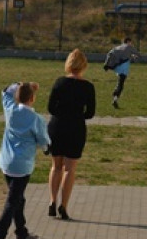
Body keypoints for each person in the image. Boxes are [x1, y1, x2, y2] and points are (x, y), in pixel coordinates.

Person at [0, 81, 50, 239]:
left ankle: (21, 232)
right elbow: (43, 141)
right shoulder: (36, 119)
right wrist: (46, 149)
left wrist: (21, 84)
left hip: (6, 162)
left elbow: (5, 90)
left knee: (18, 198)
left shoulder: (10, 109)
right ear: (32, 98)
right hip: (22, 166)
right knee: (12, 202)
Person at [46, 48, 96, 220]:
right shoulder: (88, 87)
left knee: (56, 166)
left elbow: (50, 108)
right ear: (84, 65)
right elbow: (90, 113)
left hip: (57, 126)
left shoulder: (59, 82)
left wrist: (62, 112)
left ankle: (52, 200)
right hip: (75, 128)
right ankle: (64, 205)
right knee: (70, 169)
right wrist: (77, 114)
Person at [105, 36, 140, 108]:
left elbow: (110, 53)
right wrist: (136, 56)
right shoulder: (129, 47)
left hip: (117, 67)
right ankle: (115, 97)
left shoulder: (118, 47)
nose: (131, 44)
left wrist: (107, 64)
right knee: (121, 84)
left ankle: (115, 95)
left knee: (120, 82)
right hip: (123, 69)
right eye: (130, 42)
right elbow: (137, 54)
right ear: (128, 42)